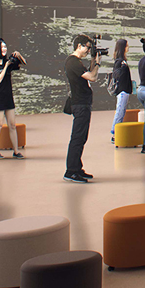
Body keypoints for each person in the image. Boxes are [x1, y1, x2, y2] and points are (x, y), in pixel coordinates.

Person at [63, 34, 101, 183]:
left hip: (82, 103)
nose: (88, 50)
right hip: (80, 104)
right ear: (79, 46)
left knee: (81, 137)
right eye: (87, 47)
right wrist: (97, 64)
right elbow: (92, 77)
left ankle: (77, 168)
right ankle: (71, 171)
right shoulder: (73, 62)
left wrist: (93, 60)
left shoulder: (76, 62)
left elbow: (90, 75)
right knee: (78, 138)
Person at [0, 38, 28, 159]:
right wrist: (6, 66)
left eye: (5, 47)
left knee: (12, 125)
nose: (4, 49)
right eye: (2, 47)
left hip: (8, 97)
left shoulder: (6, 61)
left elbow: (23, 63)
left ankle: (16, 150)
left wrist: (18, 55)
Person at [109, 39, 134, 143]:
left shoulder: (122, 60)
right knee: (120, 111)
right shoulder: (119, 61)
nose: (128, 48)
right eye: (127, 46)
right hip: (122, 90)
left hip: (125, 90)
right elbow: (117, 75)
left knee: (121, 111)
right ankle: (115, 133)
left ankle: (116, 132)